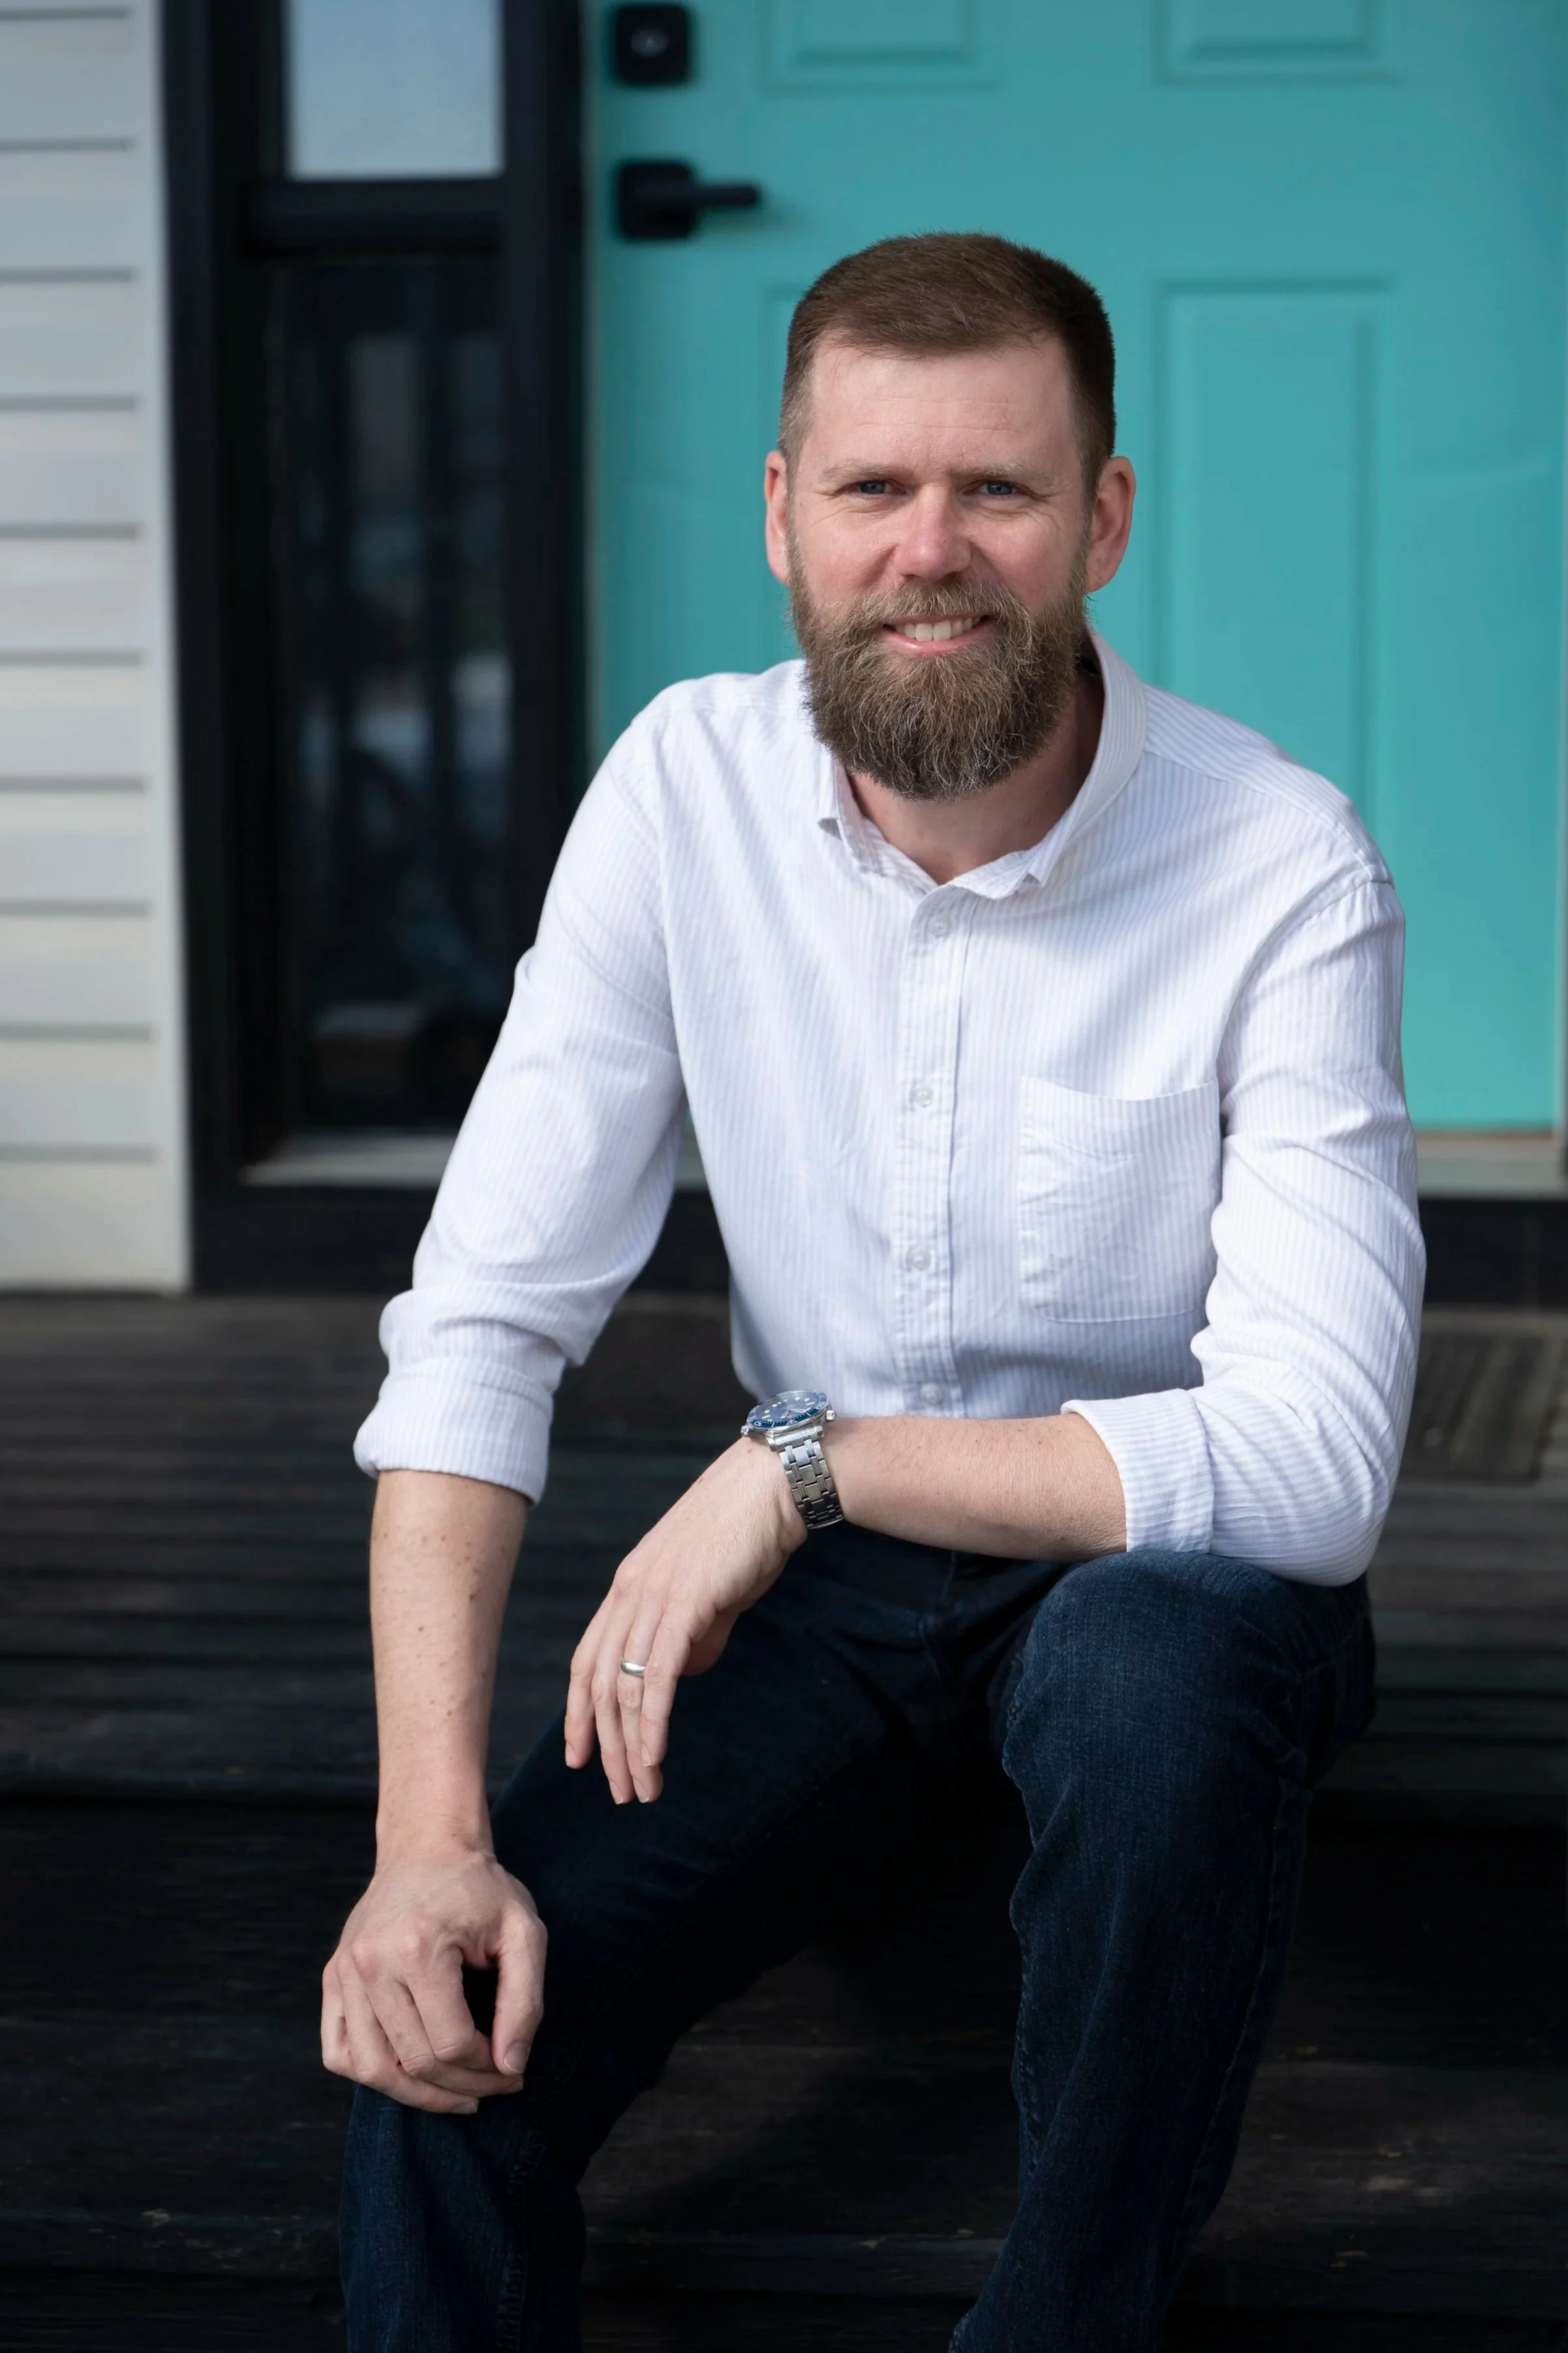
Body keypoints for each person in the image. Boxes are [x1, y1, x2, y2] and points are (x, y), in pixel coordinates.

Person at [322, 231, 1421, 2351]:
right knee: (455, 2009)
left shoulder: (1280, 861)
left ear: (1100, 518)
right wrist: (422, 1840)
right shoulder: (677, 792)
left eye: (998, 493)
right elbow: (477, 1327)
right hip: (818, 1615)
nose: (931, 553)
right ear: (778, 517)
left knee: (1147, 1669)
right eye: (868, 492)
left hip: (1150, 1583)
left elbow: (1305, 1478)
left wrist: (803, 1465)